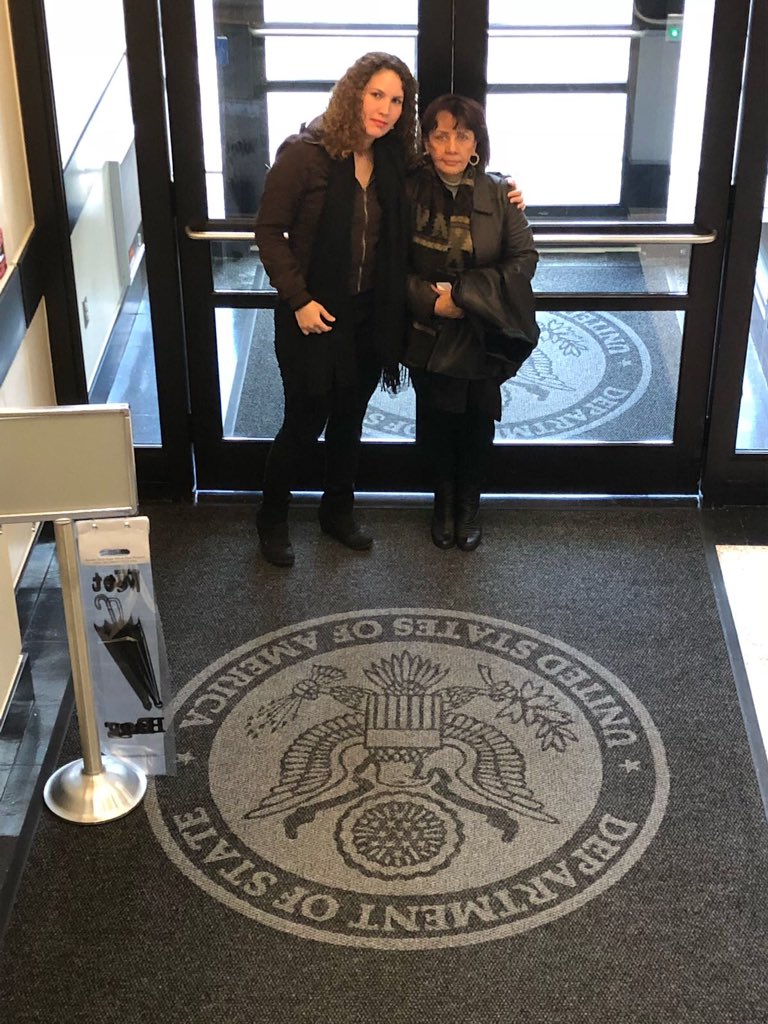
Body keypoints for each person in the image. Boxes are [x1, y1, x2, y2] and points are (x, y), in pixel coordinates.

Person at [253, 52, 417, 567]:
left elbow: (449, 172)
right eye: (377, 95)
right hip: (313, 314)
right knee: (304, 421)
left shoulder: (393, 157)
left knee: (350, 419)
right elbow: (268, 232)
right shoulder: (306, 154)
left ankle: (337, 511)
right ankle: (272, 519)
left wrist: (503, 188)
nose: (386, 110)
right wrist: (298, 300)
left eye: (397, 100)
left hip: (370, 313)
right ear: (353, 94)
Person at [404, 94, 539, 551]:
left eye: (462, 136)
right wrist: (430, 301)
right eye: (440, 135)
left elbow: (524, 259)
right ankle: (442, 503)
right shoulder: (406, 191)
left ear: (477, 143)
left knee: (479, 420)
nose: (451, 147)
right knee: (436, 419)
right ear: (426, 141)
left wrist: (464, 296)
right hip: (427, 329)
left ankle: (468, 505)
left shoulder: (499, 193)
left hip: (482, 330)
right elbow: (387, 267)